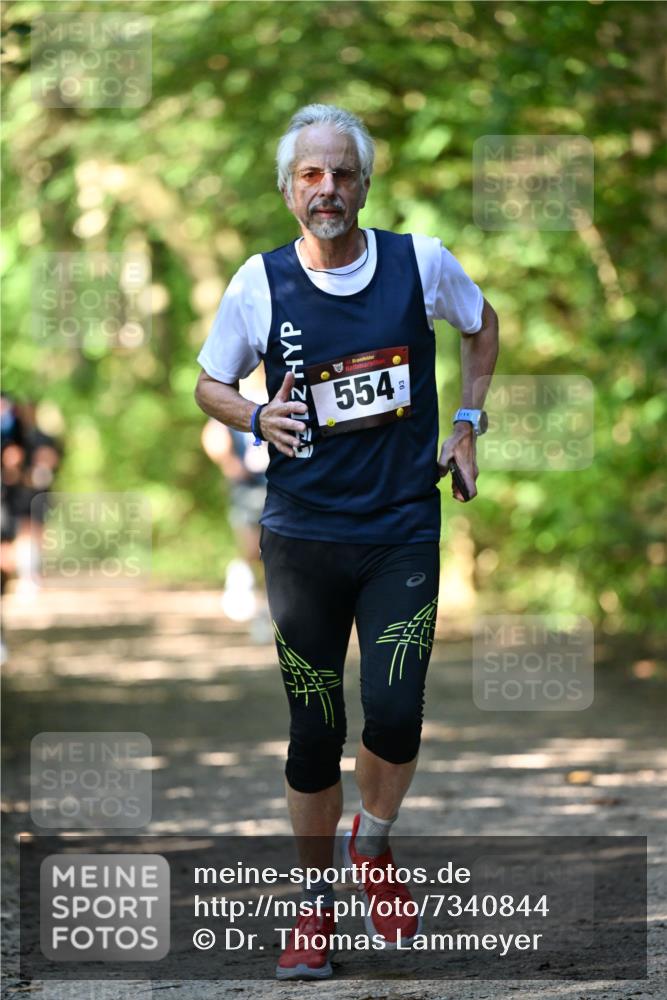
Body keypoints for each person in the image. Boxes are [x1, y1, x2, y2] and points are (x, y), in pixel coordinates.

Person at [194, 104, 499, 980]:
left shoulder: (419, 262)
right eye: (310, 175)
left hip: (402, 524)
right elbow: (209, 382)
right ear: (290, 189)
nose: (327, 189)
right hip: (301, 536)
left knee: (396, 710)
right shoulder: (260, 282)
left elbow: (482, 325)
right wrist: (255, 412)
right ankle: (314, 907)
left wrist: (468, 420)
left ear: (365, 183)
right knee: (311, 726)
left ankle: (375, 844)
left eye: (343, 174)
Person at [200, 367, 269, 633]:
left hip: (277, 483)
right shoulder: (235, 400)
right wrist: (230, 464)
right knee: (252, 548)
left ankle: (266, 610)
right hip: (248, 485)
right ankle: (240, 581)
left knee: (276, 553)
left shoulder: (278, 393)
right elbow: (212, 435)